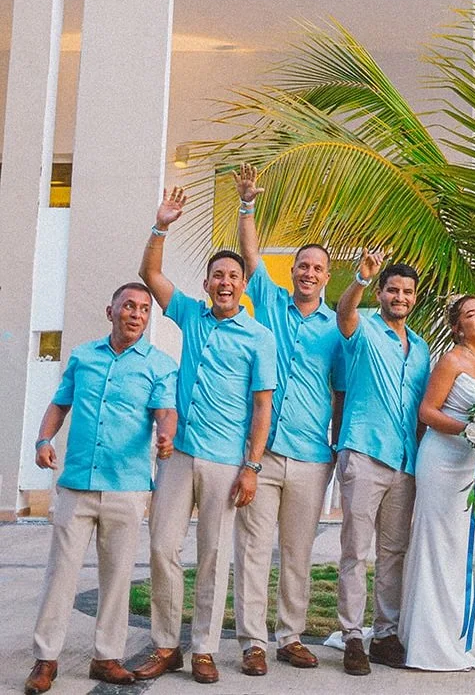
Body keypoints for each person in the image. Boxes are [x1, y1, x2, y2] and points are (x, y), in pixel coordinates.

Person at [134, 189, 277, 686]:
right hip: (179, 457)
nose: (225, 282)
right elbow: (151, 276)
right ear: (207, 282)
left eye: (234, 276)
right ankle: (166, 645)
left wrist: (252, 467)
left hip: (224, 461)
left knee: (214, 557)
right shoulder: (191, 314)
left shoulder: (259, 337)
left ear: (243, 286)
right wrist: (161, 226)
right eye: (218, 275)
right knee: (161, 548)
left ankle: (205, 649)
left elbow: (263, 407)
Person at [24, 284, 178, 695]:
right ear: (109, 310)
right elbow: (60, 403)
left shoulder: (159, 365)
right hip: (76, 484)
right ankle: (46, 659)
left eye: (144, 309)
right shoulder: (83, 357)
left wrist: (166, 437)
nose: (136, 314)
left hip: (126, 488)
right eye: (128, 306)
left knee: (118, 576)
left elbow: (166, 412)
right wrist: (43, 441)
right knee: (61, 573)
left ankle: (106, 657)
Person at [231, 164, 346, 676]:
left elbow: (339, 393)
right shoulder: (271, 303)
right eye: (301, 265)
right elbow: (251, 255)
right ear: (293, 270)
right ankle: (252, 642)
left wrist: (336, 447)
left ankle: (290, 637)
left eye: (317, 268)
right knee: (254, 549)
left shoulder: (339, 331)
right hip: (264, 452)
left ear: (326, 277)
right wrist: (248, 203)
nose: (308, 273)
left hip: (311, 455)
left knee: (298, 553)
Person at [334, 254, 430, 676]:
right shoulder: (364, 326)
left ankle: (385, 634)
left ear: (415, 299)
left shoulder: (423, 348)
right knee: (356, 549)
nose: (400, 297)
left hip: (405, 461)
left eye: (407, 292)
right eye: (393, 290)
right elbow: (343, 313)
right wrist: (360, 277)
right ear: (381, 293)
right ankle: (353, 636)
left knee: (394, 551)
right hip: (364, 452)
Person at [398, 294, 475, 671]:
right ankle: (431, 644)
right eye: (470, 315)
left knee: (463, 550)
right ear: (457, 327)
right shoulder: (451, 360)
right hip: (441, 459)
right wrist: (472, 429)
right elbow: (427, 411)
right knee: (437, 546)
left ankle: (460, 637)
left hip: (472, 465)